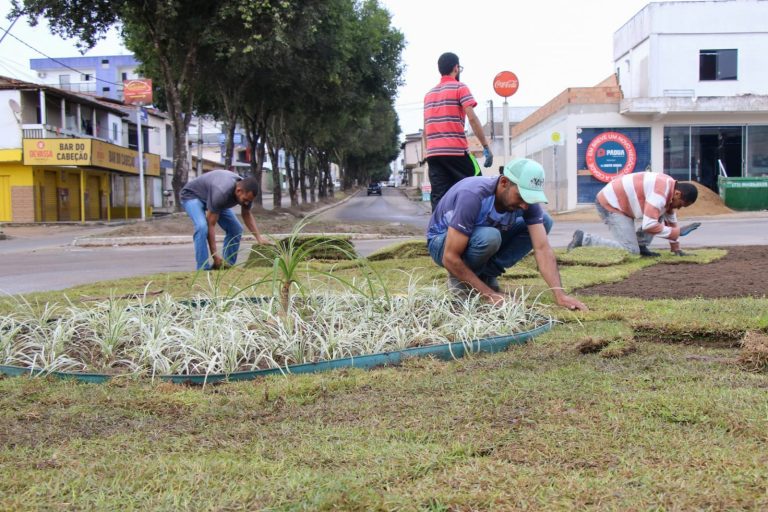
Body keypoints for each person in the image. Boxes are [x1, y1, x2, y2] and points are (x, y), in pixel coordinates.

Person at [426, 158, 588, 311]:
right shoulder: (473, 195)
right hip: (441, 242)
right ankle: (460, 284)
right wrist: (490, 295)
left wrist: (560, 295)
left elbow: (542, 249)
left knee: (544, 221)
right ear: (504, 182)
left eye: (529, 199)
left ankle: (486, 276)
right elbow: (450, 257)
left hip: (480, 238)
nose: (525, 205)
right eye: (521, 197)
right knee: (489, 237)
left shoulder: (526, 201)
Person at [566, 172, 700, 256]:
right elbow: (649, 225)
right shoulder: (659, 194)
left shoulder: (670, 189)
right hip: (611, 205)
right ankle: (584, 239)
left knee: (658, 215)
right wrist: (677, 232)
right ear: (677, 194)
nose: (679, 208)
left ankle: (641, 246)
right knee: (630, 250)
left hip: (624, 204)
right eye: (681, 204)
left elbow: (670, 219)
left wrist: (676, 248)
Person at [423, 52, 493, 210]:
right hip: (456, 152)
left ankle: (438, 233)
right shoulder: (460, 88)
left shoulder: (429, 95)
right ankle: (478, 227)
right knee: (478, 185)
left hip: (434, 155)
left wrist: (430, 152)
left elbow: (425, 130)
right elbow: (472, 119)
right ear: (456, 68)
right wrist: (485, 146)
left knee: (439, 197)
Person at [180, 169, 270, 270]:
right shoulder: (222, 192)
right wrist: (215, 256)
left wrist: (259, 238)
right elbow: (211, 224)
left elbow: (246, 214)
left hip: (213, 198)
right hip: (192, 196)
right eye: (245, 200)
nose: (246, 204)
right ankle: (203, 269)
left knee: (236, 229)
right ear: (238, 191)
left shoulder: (246, 194)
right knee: (202, 227)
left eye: (249, 201)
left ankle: (226, 266)